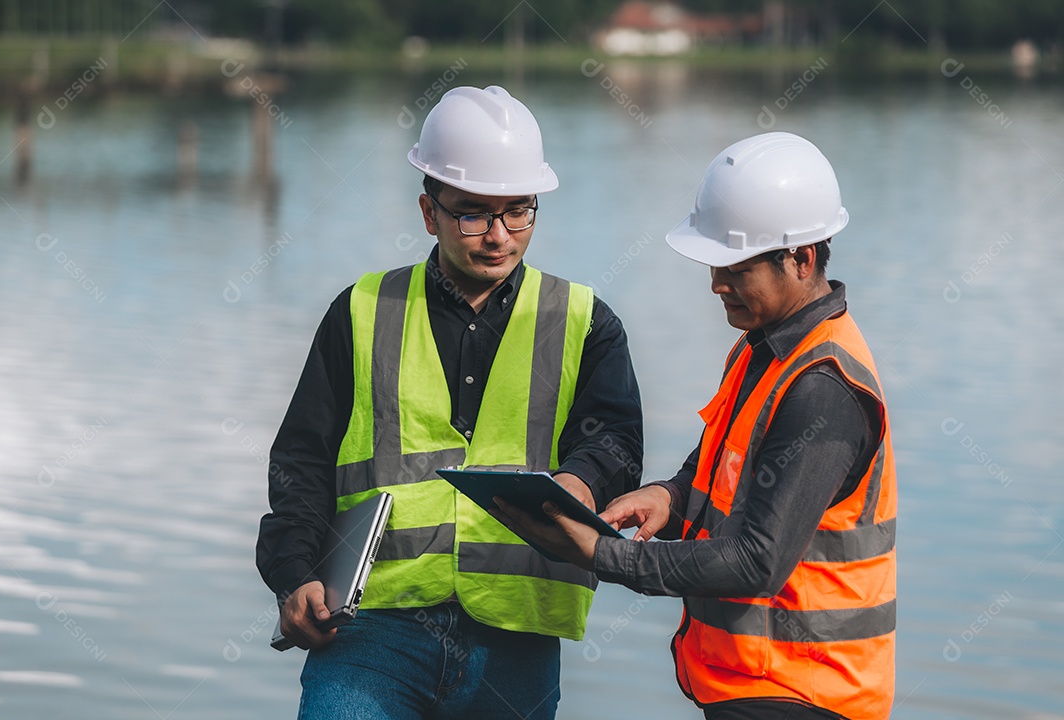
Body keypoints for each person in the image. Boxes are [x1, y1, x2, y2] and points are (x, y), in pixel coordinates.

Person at [255, 85, 643, 720]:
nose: (498, 236)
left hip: (517, 636)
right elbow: (303, 459)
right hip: (371, 630)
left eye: (518, 212)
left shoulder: (584, 321)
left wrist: (582, 480)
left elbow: (617, 443)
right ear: (428, 211)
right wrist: (295, 574)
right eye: (472, 214)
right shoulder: (362, 310)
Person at [495, 132, 896, 720]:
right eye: (715, 265)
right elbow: (721, 474)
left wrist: (601, 554)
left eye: (737, 268)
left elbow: (756, 561)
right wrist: (669, 496)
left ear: (802, 259)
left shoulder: (822, 388)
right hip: (758, 686)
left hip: (806, 695)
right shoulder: (762, 350)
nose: (717, 283)